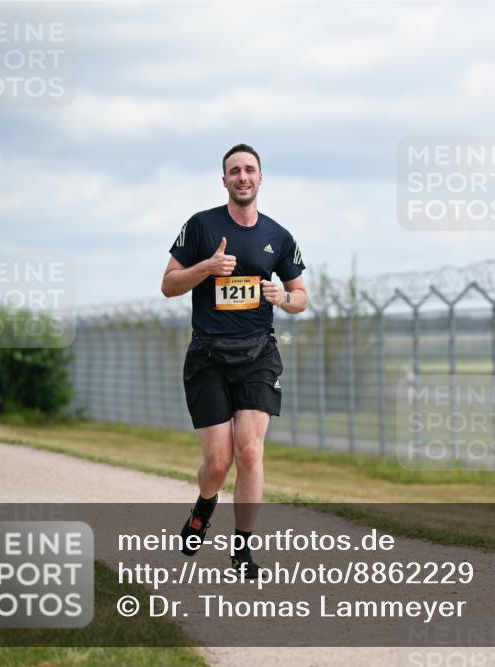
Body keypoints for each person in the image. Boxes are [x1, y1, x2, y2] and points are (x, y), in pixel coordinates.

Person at [161, 143, 308, 577]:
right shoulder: (201, 226)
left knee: (249, 451)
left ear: (261, 178)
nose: (242, 177)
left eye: (250, 170)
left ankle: (242, 551)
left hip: (258, 354)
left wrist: (283, 297)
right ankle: (204, 506)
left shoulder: (278, 236)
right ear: (223, 180)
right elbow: (168, 285)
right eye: (234, 171)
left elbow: (301, 297)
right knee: (219, 462)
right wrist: (206, 267)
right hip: (207, 356)